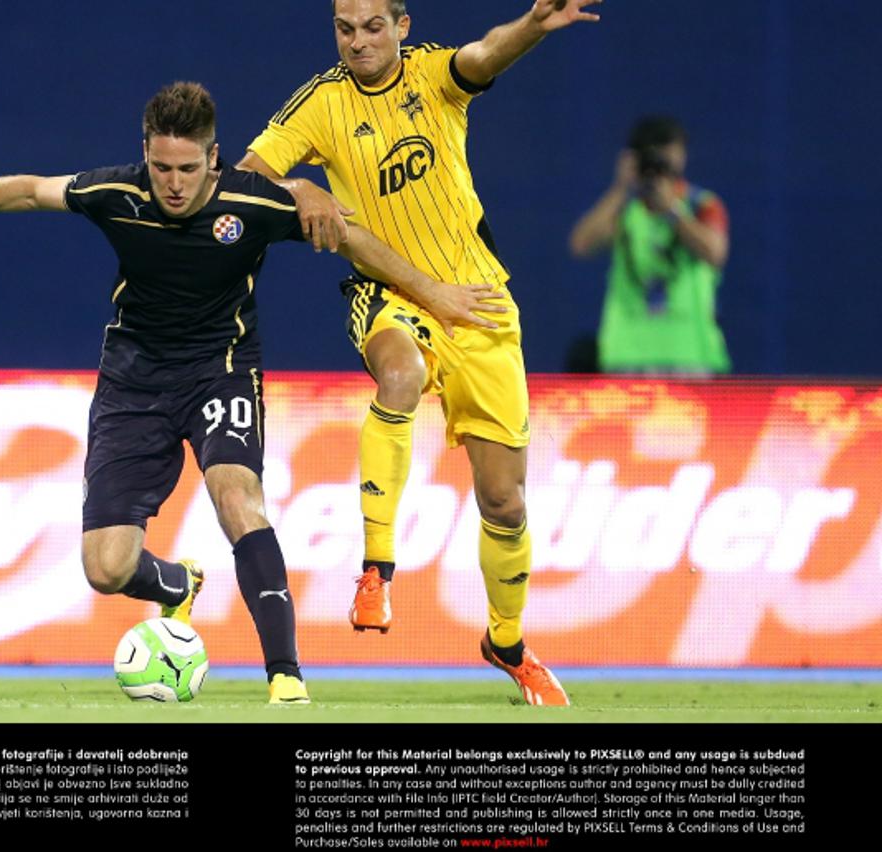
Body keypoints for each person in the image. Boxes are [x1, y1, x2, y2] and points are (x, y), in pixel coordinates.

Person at [0, 81, 485, 704]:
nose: (173, 183)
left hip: (220, 369)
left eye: (188, 169)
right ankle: (176, 583)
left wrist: (433, 293)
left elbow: (352, 239)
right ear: (145, 154)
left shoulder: (255, 204)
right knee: (106, 568)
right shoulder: (117, 192)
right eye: (161, 167)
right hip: (132, 380)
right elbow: (31, 189)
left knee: (238, 498)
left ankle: (285, 675)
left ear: (213, 159)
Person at [238, 0, 602, 707]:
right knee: (398, 374)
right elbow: (248, 179)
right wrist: (301, 184)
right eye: (345, 29)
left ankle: (507, 641)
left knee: (505, 502)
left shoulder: (434, 75)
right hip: (393, 297)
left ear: (401, 26)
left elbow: (484, 55)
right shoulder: (322, 103)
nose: (358, 42)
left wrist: (532, 25)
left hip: (480, 304)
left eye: (373, 27)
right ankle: (378, 570)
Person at [569, 115, 731, 374]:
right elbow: (581, 244)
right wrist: (620, 188)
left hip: (690, 356)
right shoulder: (626, 210)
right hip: (627, 357)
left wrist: (672, 210)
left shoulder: (701, 205)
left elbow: (714, 253)